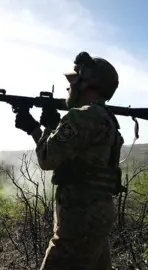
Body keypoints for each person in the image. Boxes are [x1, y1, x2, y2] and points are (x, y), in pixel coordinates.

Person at [14, 51, 124, 270]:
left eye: (75, 81)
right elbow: (75, 158)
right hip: (97, 215)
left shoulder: (82, 116)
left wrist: (37, 128)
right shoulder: (106, 118)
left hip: (79, 220)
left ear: (87, 84)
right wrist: (47, 127)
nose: (69, 87)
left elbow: (47, 158)